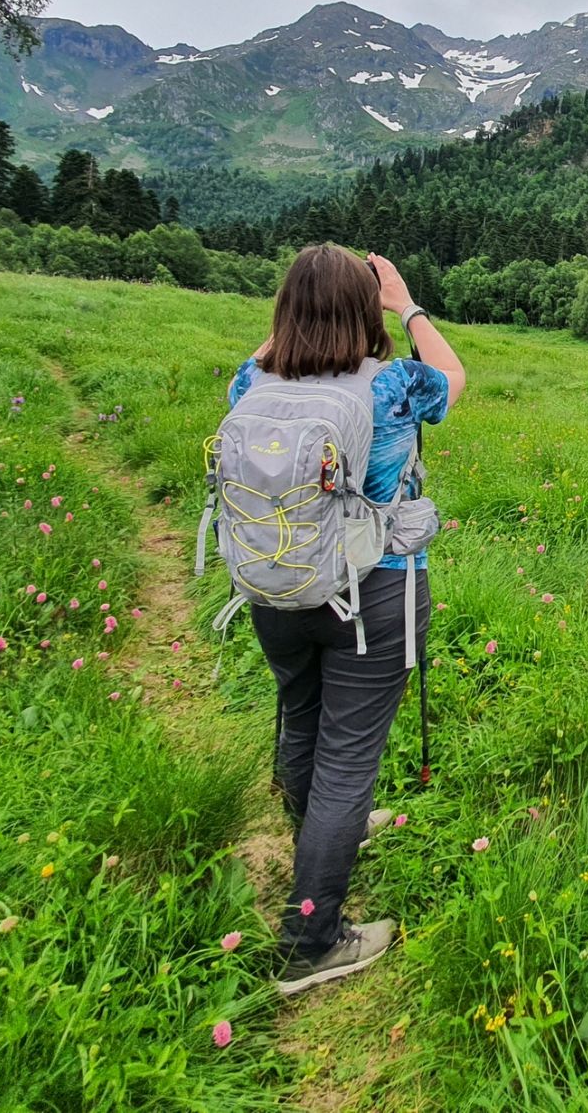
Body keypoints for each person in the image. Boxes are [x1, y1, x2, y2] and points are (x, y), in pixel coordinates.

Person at [224, 243, 465, 994]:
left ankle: (320, 839)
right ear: (367, 309)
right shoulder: (392, 386)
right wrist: (404, 302)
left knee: (301, 720)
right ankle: (313, 940)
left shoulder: (252, 383)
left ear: (286, 312)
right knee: (349, 759)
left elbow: (263, 358)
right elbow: (454, 379)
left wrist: (297, 313)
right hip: (375, 593)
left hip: (277, 588)